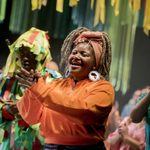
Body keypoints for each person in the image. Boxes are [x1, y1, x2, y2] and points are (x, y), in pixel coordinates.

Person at [16, 27, 115, 150]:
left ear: (96, 63)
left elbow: (84, 111)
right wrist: (31, 90)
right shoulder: (55, 84)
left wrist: (40, 89)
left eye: (83, 54)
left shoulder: (103, 88)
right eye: (74, 52)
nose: (76, 56)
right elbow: (32, 118)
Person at [0, 27, 61, 150]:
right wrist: (8, 110)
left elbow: (60, 116)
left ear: (42, 55)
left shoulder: (55, 80)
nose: (25, 57)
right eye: (22, 51)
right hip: (9, 144)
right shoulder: (6, 79)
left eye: (31, 53)